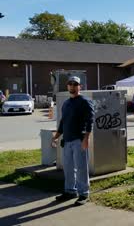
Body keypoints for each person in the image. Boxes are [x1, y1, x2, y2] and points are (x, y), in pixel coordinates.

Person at [51, 76, 94, 206]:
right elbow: (63, 122)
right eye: (70, 84)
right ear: (67, 86)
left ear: (80, 86)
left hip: (79, 140)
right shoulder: (66, 103)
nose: (72, 86)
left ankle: (84, 193)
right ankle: (70, 191)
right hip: (67, 140)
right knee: (68, 168)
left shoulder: (85, 102)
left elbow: (90, 121)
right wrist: (56, 136)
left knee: (81, 168)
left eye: (75, 84)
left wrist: (87, 138)